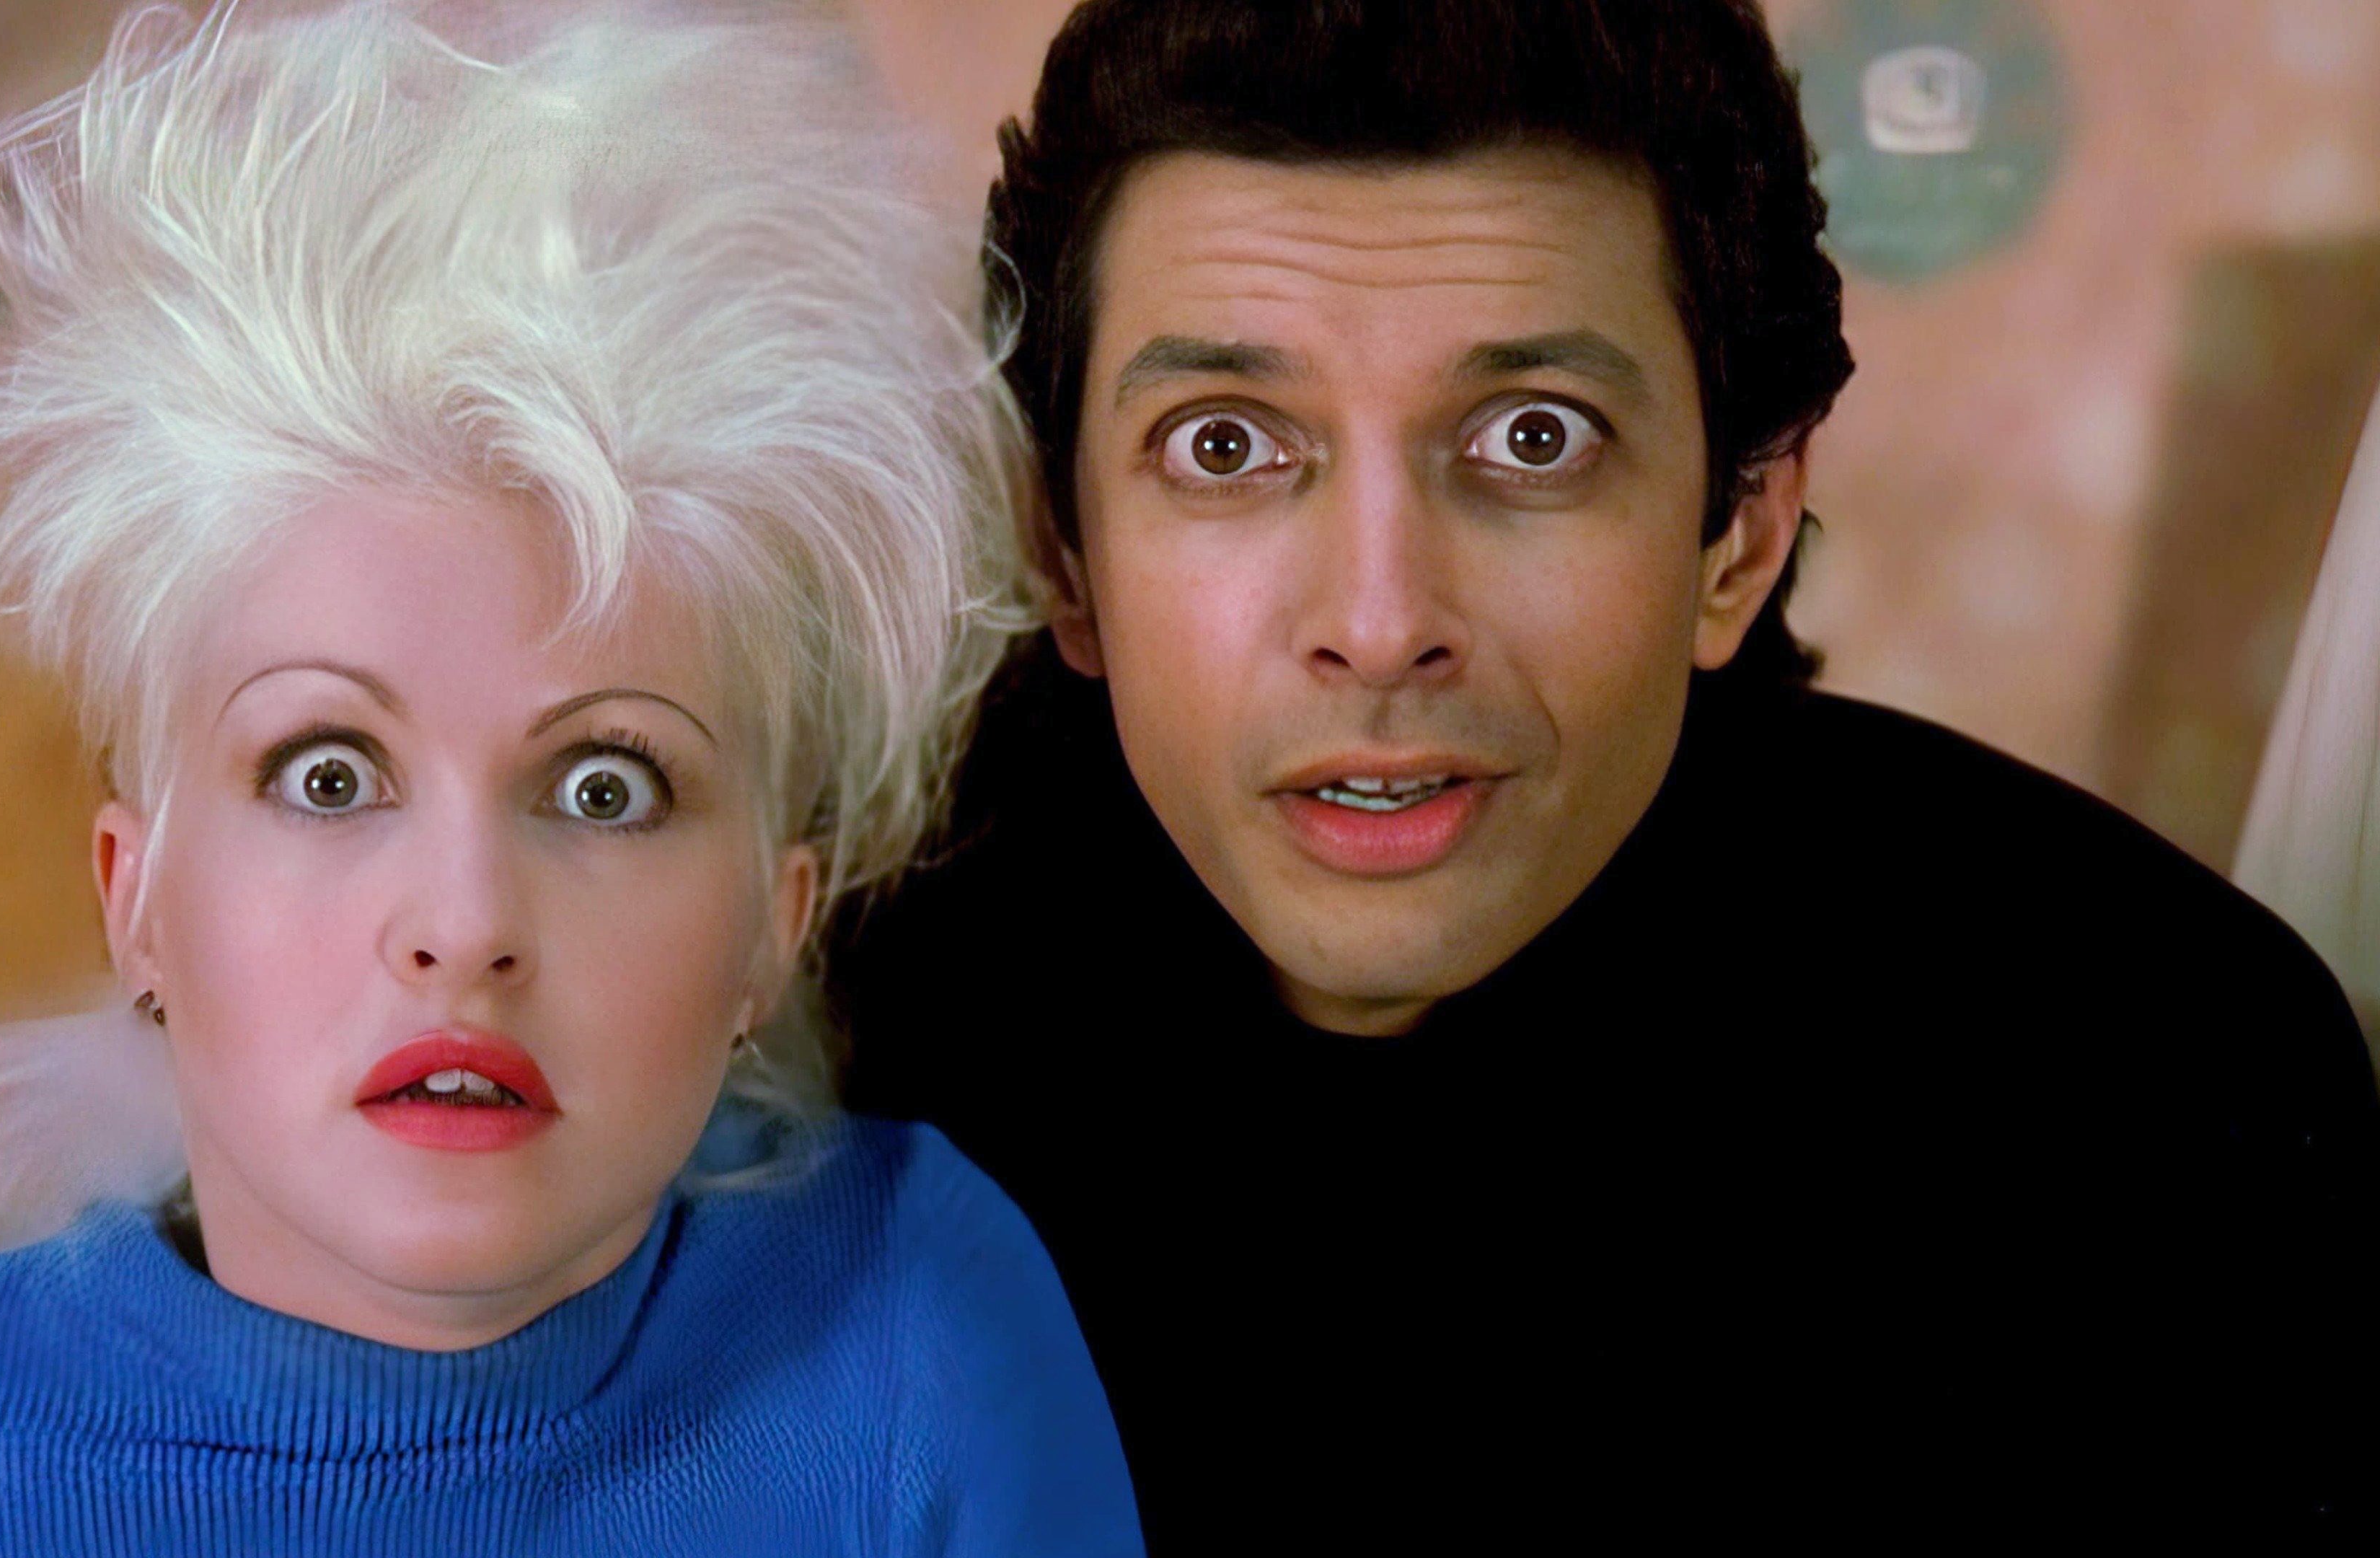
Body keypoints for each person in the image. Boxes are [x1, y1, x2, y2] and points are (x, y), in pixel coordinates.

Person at [830, 0, 2380, 1536]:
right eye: (1223, 445)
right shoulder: (818, 1021)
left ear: (1739, 533)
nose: (1380, 623)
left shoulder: (2157, 1099)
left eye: (1534, 439)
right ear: (1063, 550)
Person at [0, 4, 1142, 1553]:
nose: (465, 926)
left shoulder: (918, 1339)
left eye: (605, 790)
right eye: (331, 777)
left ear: (773, 925)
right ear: (138, 903)